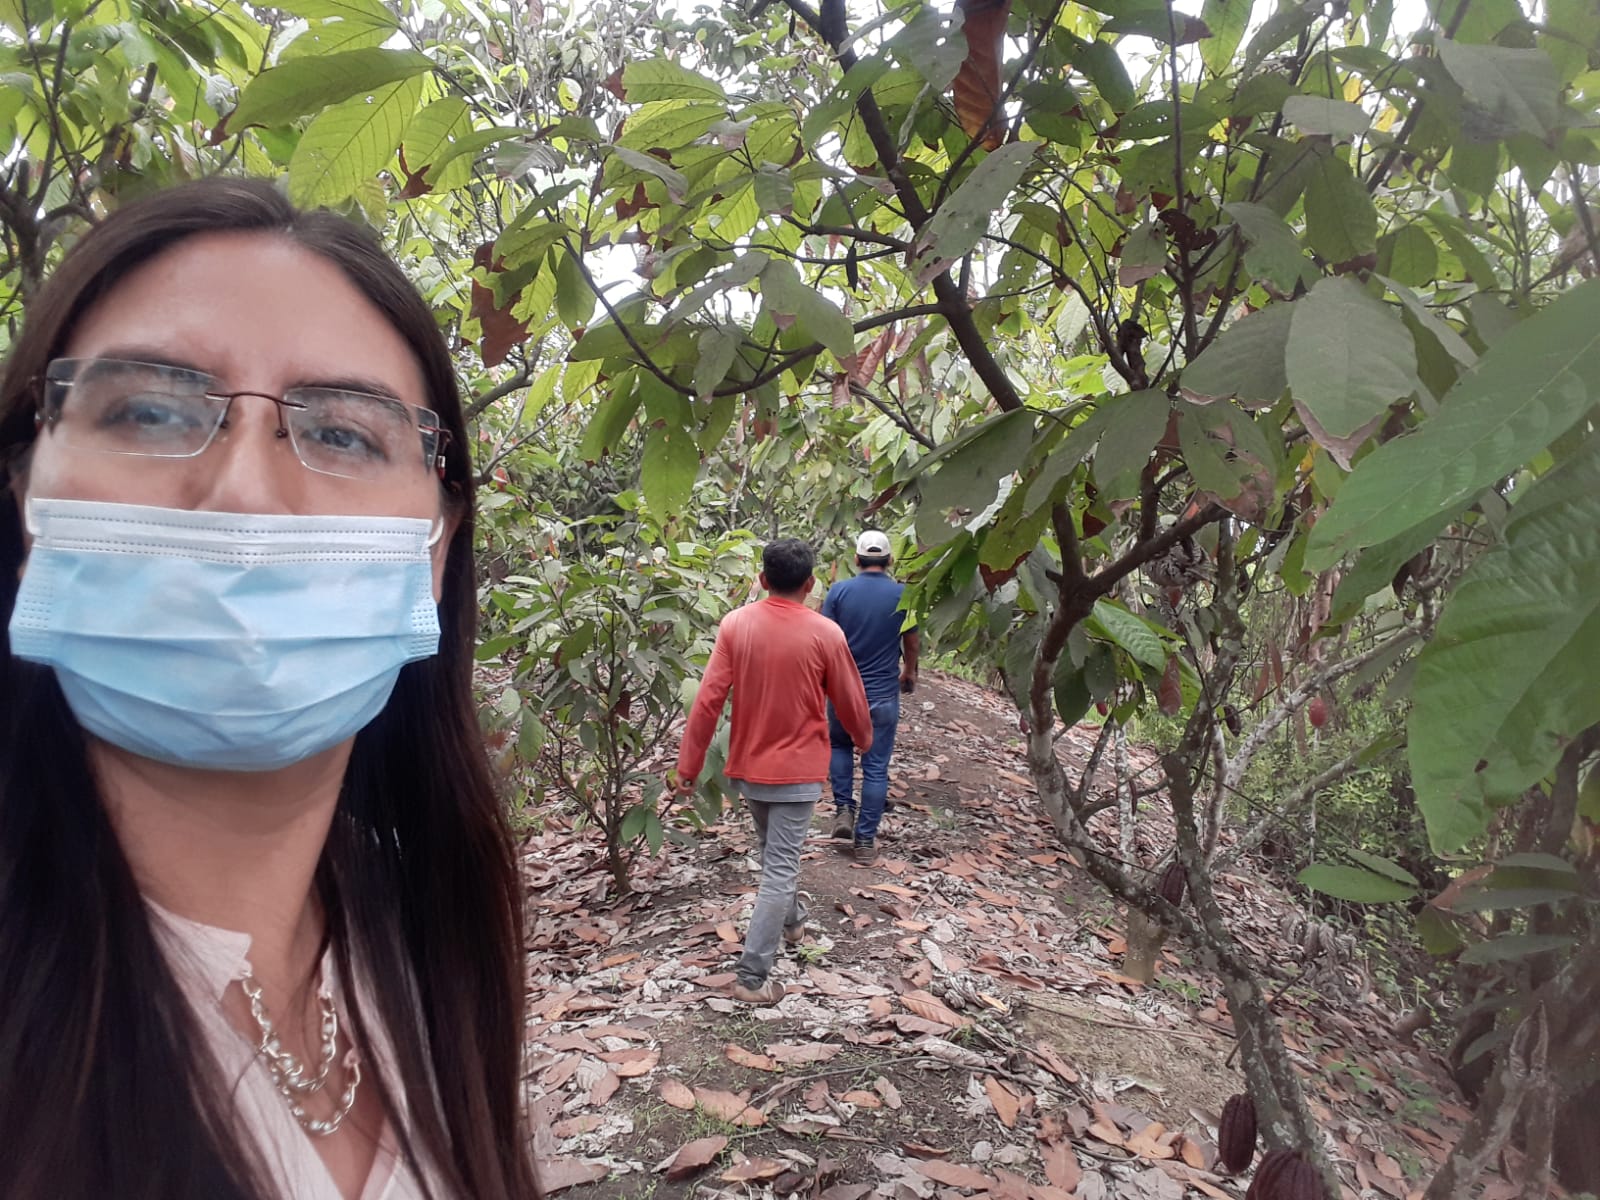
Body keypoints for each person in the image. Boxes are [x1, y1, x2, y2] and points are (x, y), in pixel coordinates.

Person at [0, 179, 540, 1200]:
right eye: (149, 410)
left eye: (343, 434)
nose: (245, 492)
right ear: (26, 502)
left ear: (434, 551)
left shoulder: (426, 939)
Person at [673, 538, 872, 1004]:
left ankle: (794, 922)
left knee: (775, 857)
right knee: (779, 867)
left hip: (750, 767)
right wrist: (864, 739)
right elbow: (849, 698)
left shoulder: (736, 625)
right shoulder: (826, 634)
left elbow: (708, 699)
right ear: (811, 583)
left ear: (762, 580)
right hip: (798, 771)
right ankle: (752, 978)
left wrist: (689, 764)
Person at [822, 529, 920, 865]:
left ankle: (843, 809)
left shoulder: (839, 591)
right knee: (876, 765)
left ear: (856, 559)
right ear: (890, 560)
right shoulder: (903, 594)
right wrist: (909, 672)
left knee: (839, 745)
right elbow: (911, 640)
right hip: (882, 693)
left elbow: (825, 637)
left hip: (842, 690)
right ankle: (865, 841)